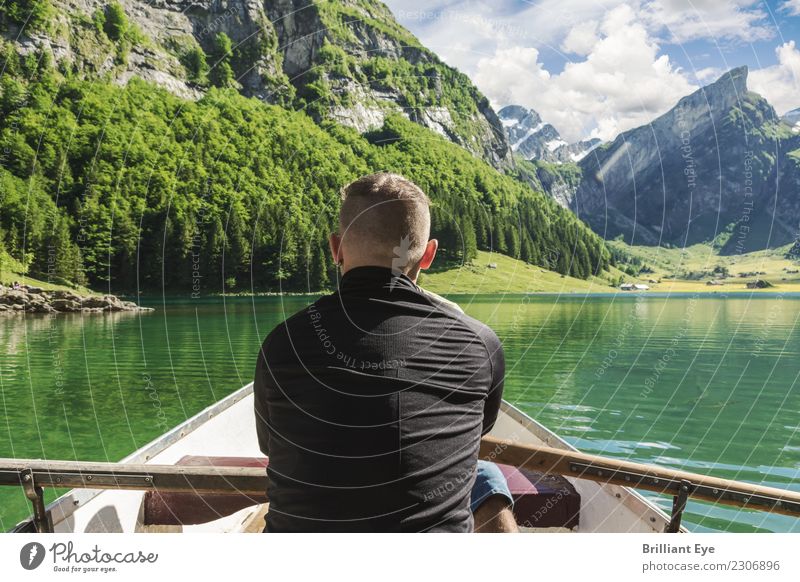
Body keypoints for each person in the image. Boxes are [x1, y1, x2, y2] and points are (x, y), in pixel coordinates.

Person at [254, 172, 517, 533]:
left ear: (336, 248)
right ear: (428, 255)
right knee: (485, 472)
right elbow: (476, 432)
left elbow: (271, 446)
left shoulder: (282, 343)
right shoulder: (481, 345)